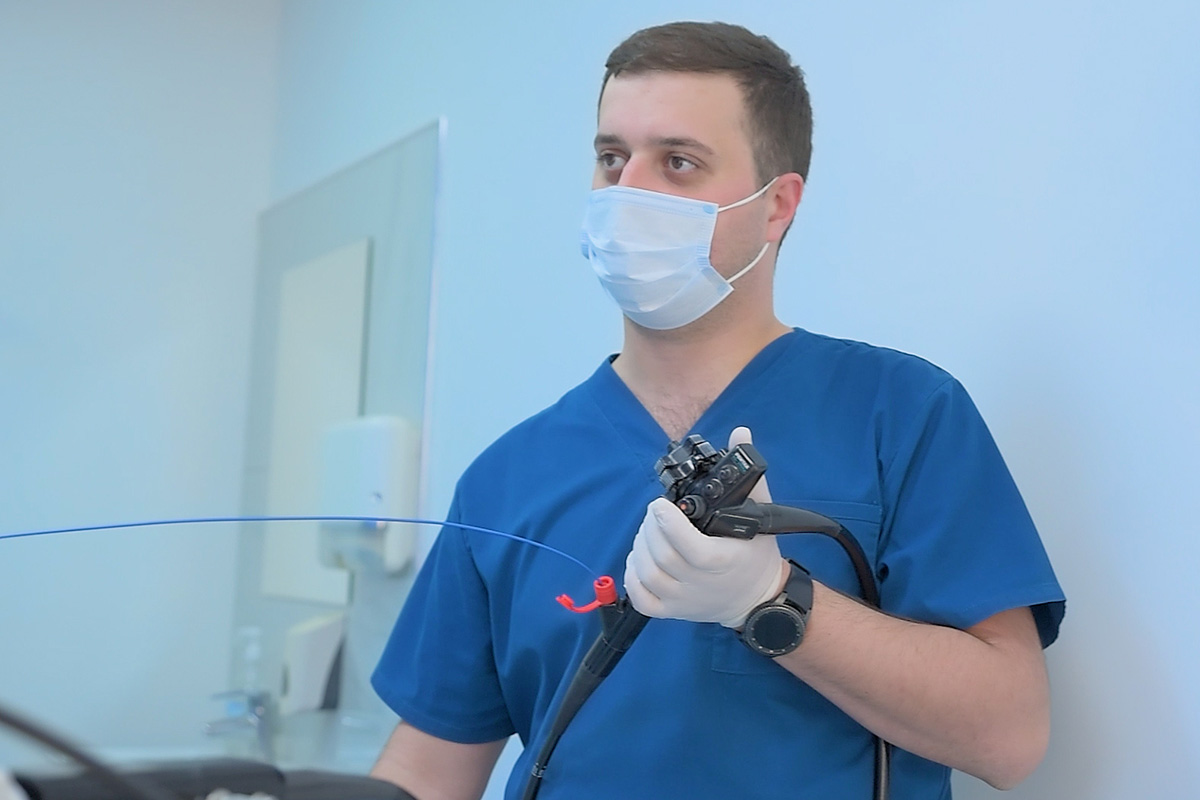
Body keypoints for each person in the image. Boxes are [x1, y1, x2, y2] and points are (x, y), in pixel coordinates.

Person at [369, 20, 1065, 800]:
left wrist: (773, 601)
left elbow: (1010, 737)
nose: (629, 190)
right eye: (611, 158)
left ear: (777, 207)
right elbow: (428, 771)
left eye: (678, 162)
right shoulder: (508, 478)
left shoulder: (901, 416)